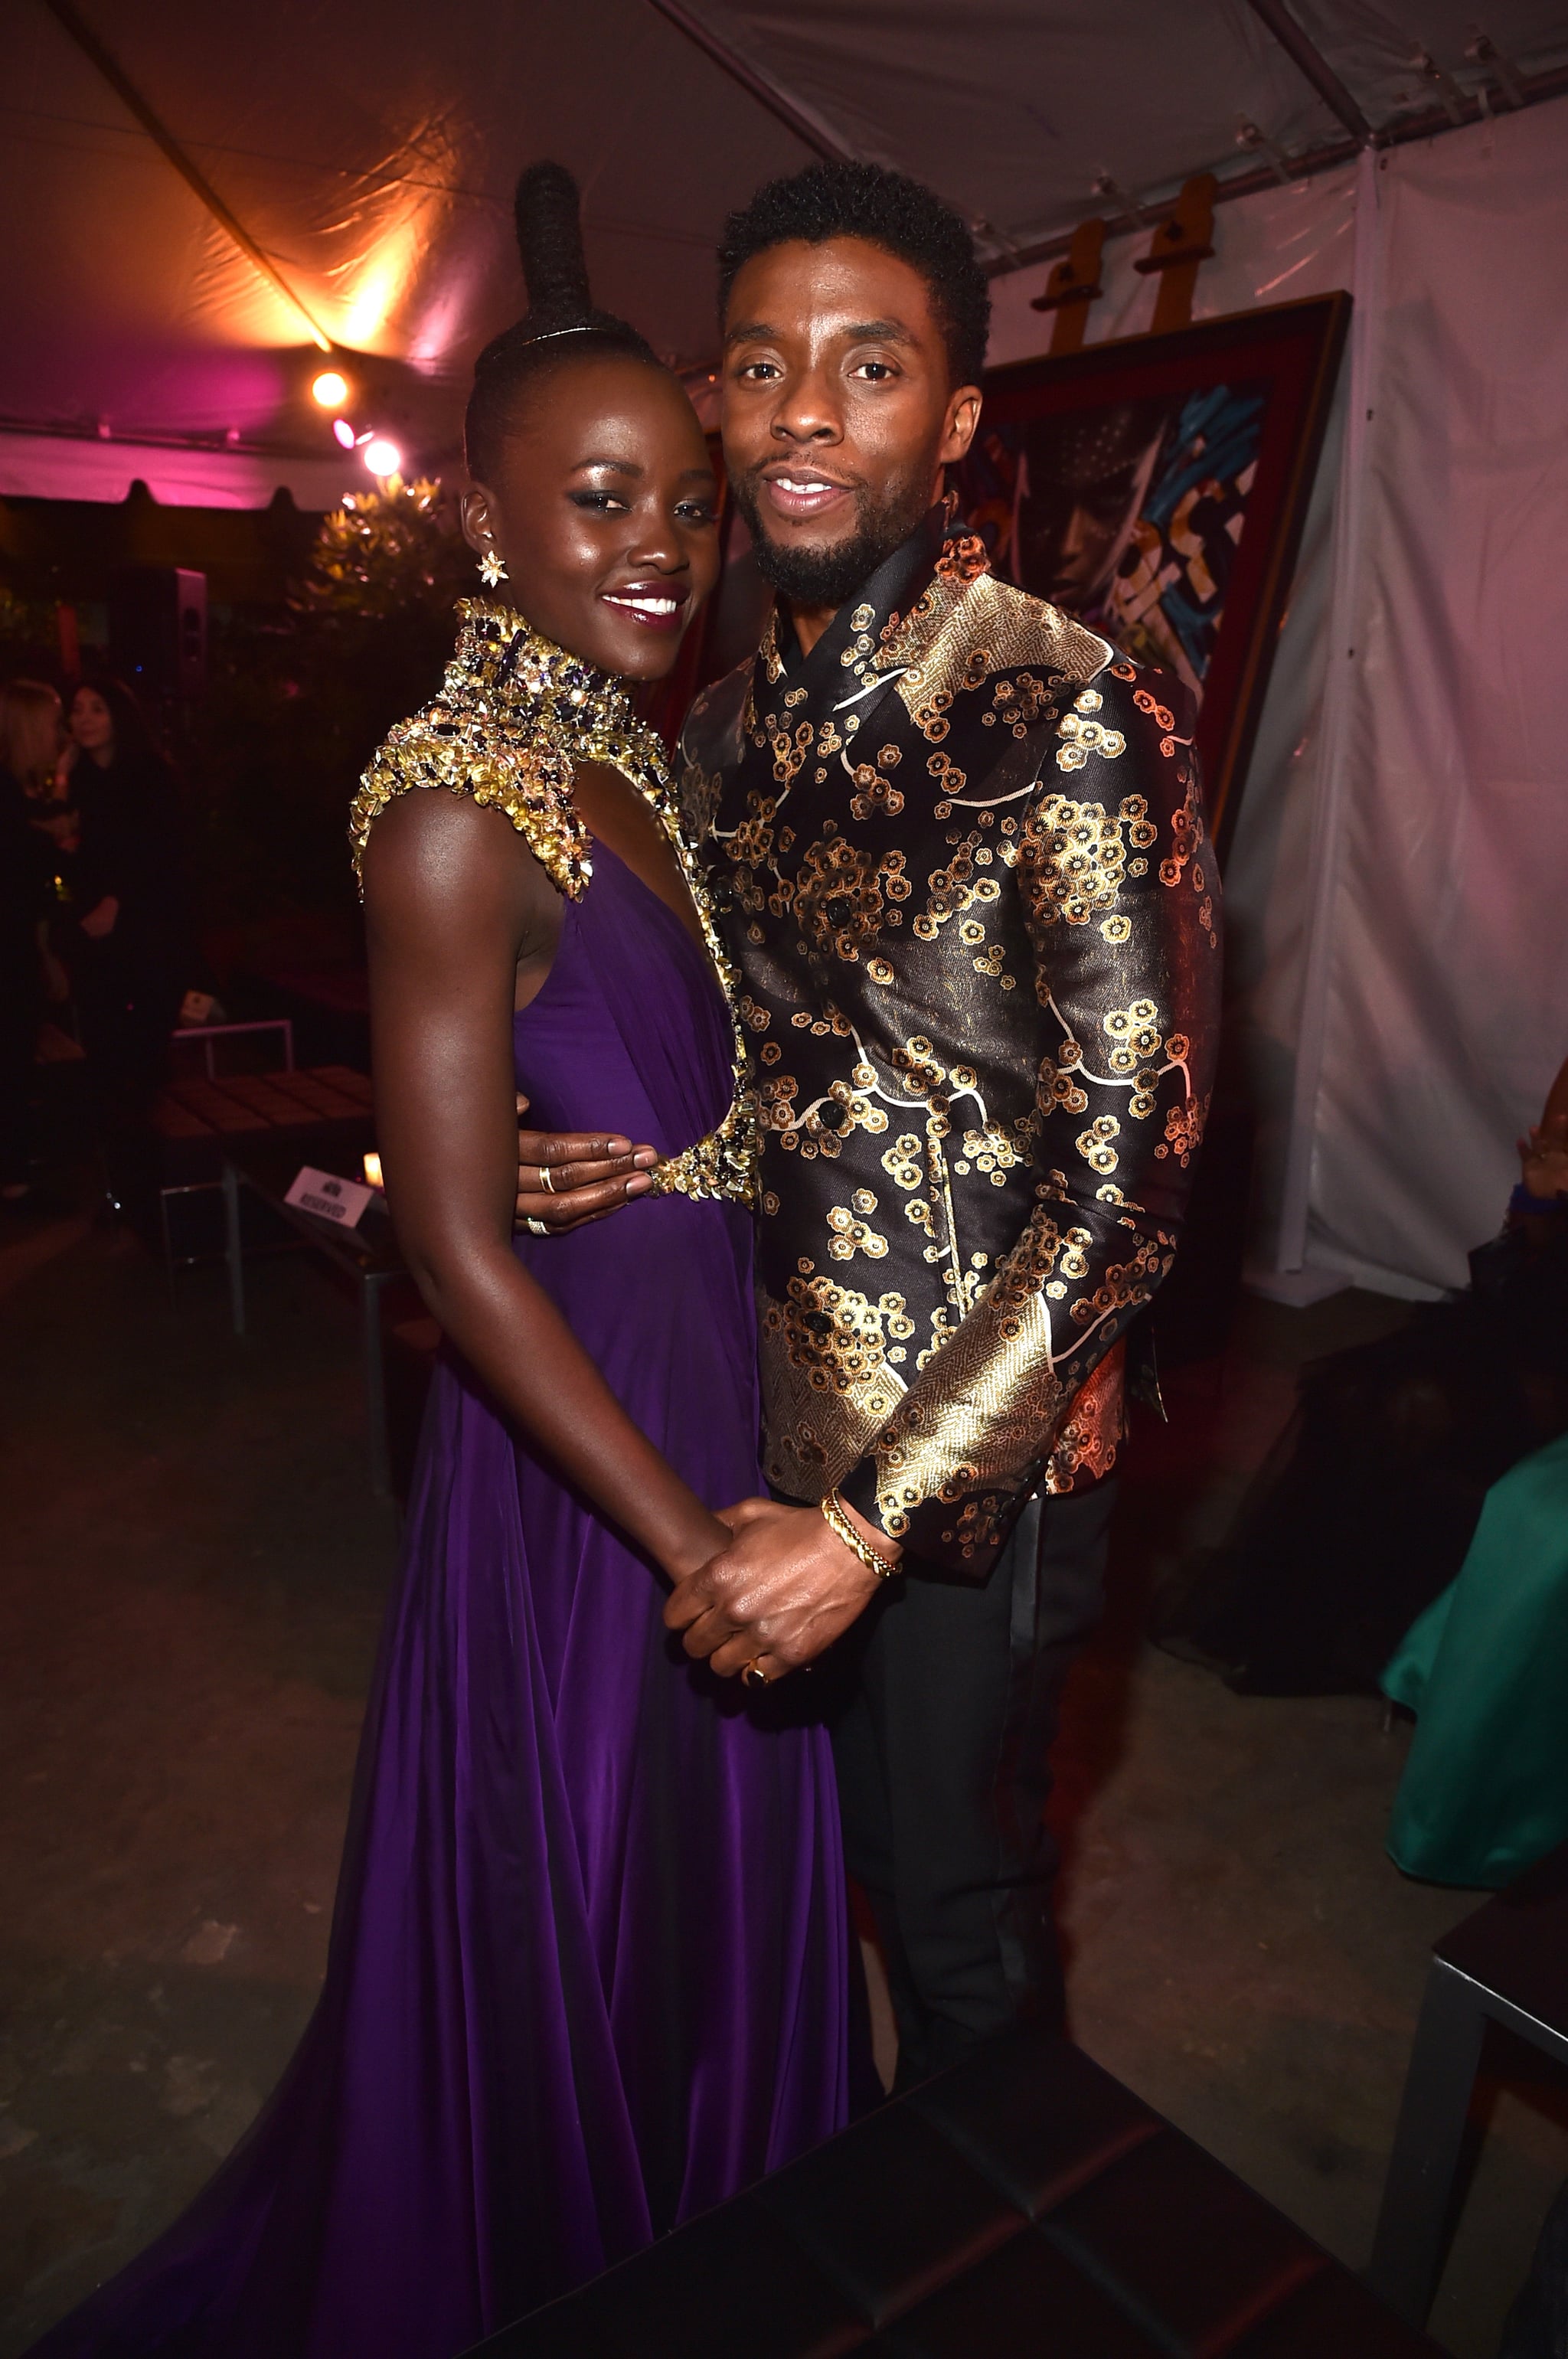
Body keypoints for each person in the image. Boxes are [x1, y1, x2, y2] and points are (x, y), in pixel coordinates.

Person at [27, 165, 851, 2359]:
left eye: (684, 494)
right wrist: (700, 1552)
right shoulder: (453, 801)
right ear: (488, 528)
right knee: (597, 1886)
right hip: (604, 1467)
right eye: (599, 501)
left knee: (700, 1890)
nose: (661, 543)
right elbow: (464, 1261)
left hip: (708, 1379)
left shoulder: (625, 750)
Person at [515, 162, 1223, 2090]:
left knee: (953, 1916)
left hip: (949, 1490)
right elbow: (735, 1071)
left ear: (956, 420)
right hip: (726, 1430)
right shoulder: (722, 733)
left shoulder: (1067, 715)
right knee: (782, 1887)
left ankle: (1005, 2263)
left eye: (869, 366)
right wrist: (548, 1152)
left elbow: (1128, 1176)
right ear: (715, 404)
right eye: (760, 364)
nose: (805, 412)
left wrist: (867, 1522)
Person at [1158, 1055, 1568, 1698]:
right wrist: (1535, 1196)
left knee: (1418, 1409)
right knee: (1352, 1392)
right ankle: (1327, 1628)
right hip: (1540, 1314)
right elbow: (1523, 1261)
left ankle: (1393, 1634)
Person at [58, 674, 191, 1221]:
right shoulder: (78, 780)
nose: (84, 719)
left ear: (118, 716)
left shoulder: (150, 774)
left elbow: (164, 852)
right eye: (77, 710)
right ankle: (120, 1180)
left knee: (146, 1052)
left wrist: (120, 900)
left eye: (96, 709)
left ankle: (159, 1175)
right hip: (94, 937)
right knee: (105, 1054)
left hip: (148, 933)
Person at [0, 679, 71, 1211]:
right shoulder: (10, 798)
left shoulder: (25, 793)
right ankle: (13, 1179)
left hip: (19, 940)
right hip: (8, 946)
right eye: (53, 723)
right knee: (11, 1055)